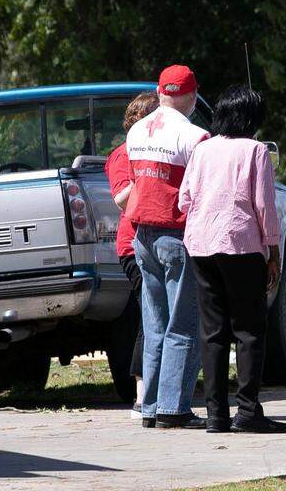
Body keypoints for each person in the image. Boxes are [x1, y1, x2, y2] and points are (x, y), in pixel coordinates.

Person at [178, 85, 286, 434]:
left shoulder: (202, 149)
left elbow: (185, 199)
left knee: (213, 332)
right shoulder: (256, 151)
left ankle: (216, 416)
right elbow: (265, 208)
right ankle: (248, 411)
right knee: (250, 330)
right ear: (252, 119)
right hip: (240, 245)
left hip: (200, 245)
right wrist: (273, 251)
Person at [125, 65, 209, 429]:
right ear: (192, 96)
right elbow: (201, 192)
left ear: (159, 93)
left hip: (141, 234)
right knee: (183, 325)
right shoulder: (196, 137)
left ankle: (150, 406)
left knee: (155, 324)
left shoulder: (137, 131)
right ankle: (173, 409)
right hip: (176, 235)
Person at [104, 91, 158, 419]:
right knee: (149, 316)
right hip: (133, 244)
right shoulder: (124, 155)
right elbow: (122, 199)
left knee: (155, 314)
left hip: (154, 242)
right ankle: (141, 390)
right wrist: (151, 176)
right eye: (153, 117)